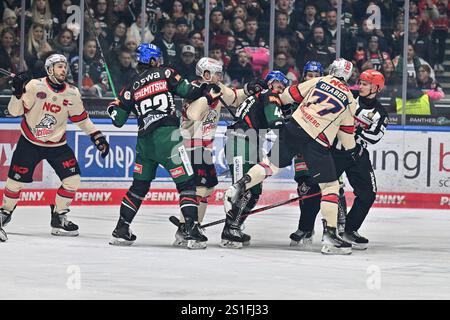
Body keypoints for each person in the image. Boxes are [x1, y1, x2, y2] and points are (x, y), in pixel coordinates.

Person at [223, 58, 358, 255]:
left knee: (269, 164)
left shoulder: (319, 82)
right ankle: (330, 236)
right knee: (331, 186)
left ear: (331, 70)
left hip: (293, 128)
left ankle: (238, 186)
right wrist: (352, 151)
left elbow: (287, 96)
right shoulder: (349, 98)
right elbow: (347, 136)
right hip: (317, 141)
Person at [106, 44, 219, 249]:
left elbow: (118, 120)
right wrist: (207, 92)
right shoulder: (165, 72)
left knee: (138, 188)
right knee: (186, 184)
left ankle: (121, 229)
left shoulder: (130, 87)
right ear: (152, 60)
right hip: (168, 138)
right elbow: (187, 90)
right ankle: (191, 231)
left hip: (144, 143)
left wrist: (113, 107)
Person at [0, 54, 110, 242]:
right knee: (14, 183)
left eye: (64, 66)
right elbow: (14, 112)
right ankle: (5, 212)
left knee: (73, 180)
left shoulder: (72, 93)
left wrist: (96, 136)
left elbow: (82, 119)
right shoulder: (34, 86)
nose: (63, 70)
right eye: (59, 66)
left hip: (57, 145)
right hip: (30, 143)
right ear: (49, 69)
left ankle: (59, 216)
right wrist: (17, 92)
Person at [289, 69, 388, 251]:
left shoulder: (380, 113)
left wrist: (352, 129)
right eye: (361, 82)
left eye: (365, 84)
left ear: (376, 88)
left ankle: (349, 230)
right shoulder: (348, 95)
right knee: (314, 189)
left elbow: (374, 137)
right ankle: (305, 228)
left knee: (368, 194)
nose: (361, 86)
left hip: (357, 155)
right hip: (334, 152)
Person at [173, 57, 267, 247]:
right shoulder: (193, 89)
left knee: (207, 188)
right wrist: (208, 97)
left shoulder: (218, 88)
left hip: (204, 147)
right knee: (198, 188)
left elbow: (234, 97)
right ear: (205, 74)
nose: (220, 76)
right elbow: (193, 114)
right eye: (216, 73)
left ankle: (191, 226)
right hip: (190, 145)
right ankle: (188, 228)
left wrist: (251, 87)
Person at [221, 71, 289, 248]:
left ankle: (234, 225)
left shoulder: (259, 95)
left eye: (283, 87)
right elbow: (276, 123)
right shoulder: (269, 95)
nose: (280, 90)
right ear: (270, 84)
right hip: (241, 142)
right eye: (278, 85)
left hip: (249, 143)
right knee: (243, 189)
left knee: (254, 191)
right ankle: (230, 229)